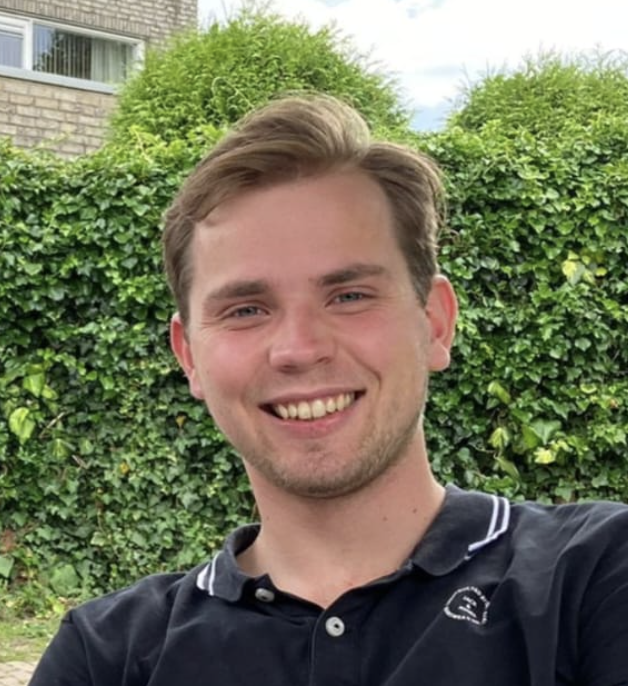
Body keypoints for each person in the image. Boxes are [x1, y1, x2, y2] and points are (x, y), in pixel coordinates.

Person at [30, 94, 628, 686]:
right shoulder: (104, 657)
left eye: (349, 296)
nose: (299, 349)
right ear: (189, 357)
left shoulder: (595, 576)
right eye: (246, 309)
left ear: (435, 323)